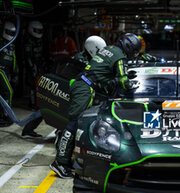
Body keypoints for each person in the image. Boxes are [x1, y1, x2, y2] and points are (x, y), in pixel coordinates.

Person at [49, 33, 141, 179]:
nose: (134, 54)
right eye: (135, 51)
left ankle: (65, 159)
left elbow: (104, 75)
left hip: (83, 84)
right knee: (73, 123)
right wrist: (133, 84)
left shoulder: (109, 49)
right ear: (129, 47)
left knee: (76, 123)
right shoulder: (120, 56)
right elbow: (124, 80)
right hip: (85, 87)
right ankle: (60, 163)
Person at [21, 21, 45, 138]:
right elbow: (28, 56)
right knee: (32, 85)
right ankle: (33, 103)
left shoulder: (39, 41)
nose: (39, 33)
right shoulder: (28, 42)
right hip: (31, 66)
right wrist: (32, 68)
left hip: (39, 65)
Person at [0, 21, 18, 127]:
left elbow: (14, 59)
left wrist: (15, 72)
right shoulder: (1, 42)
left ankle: (3, 113)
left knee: (4, 93)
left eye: (12, 33)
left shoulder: (11, 45)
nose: (11, 35)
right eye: (9, 32)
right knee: (8, 92)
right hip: (0, 70)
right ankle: (6, 116)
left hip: (6, 72)